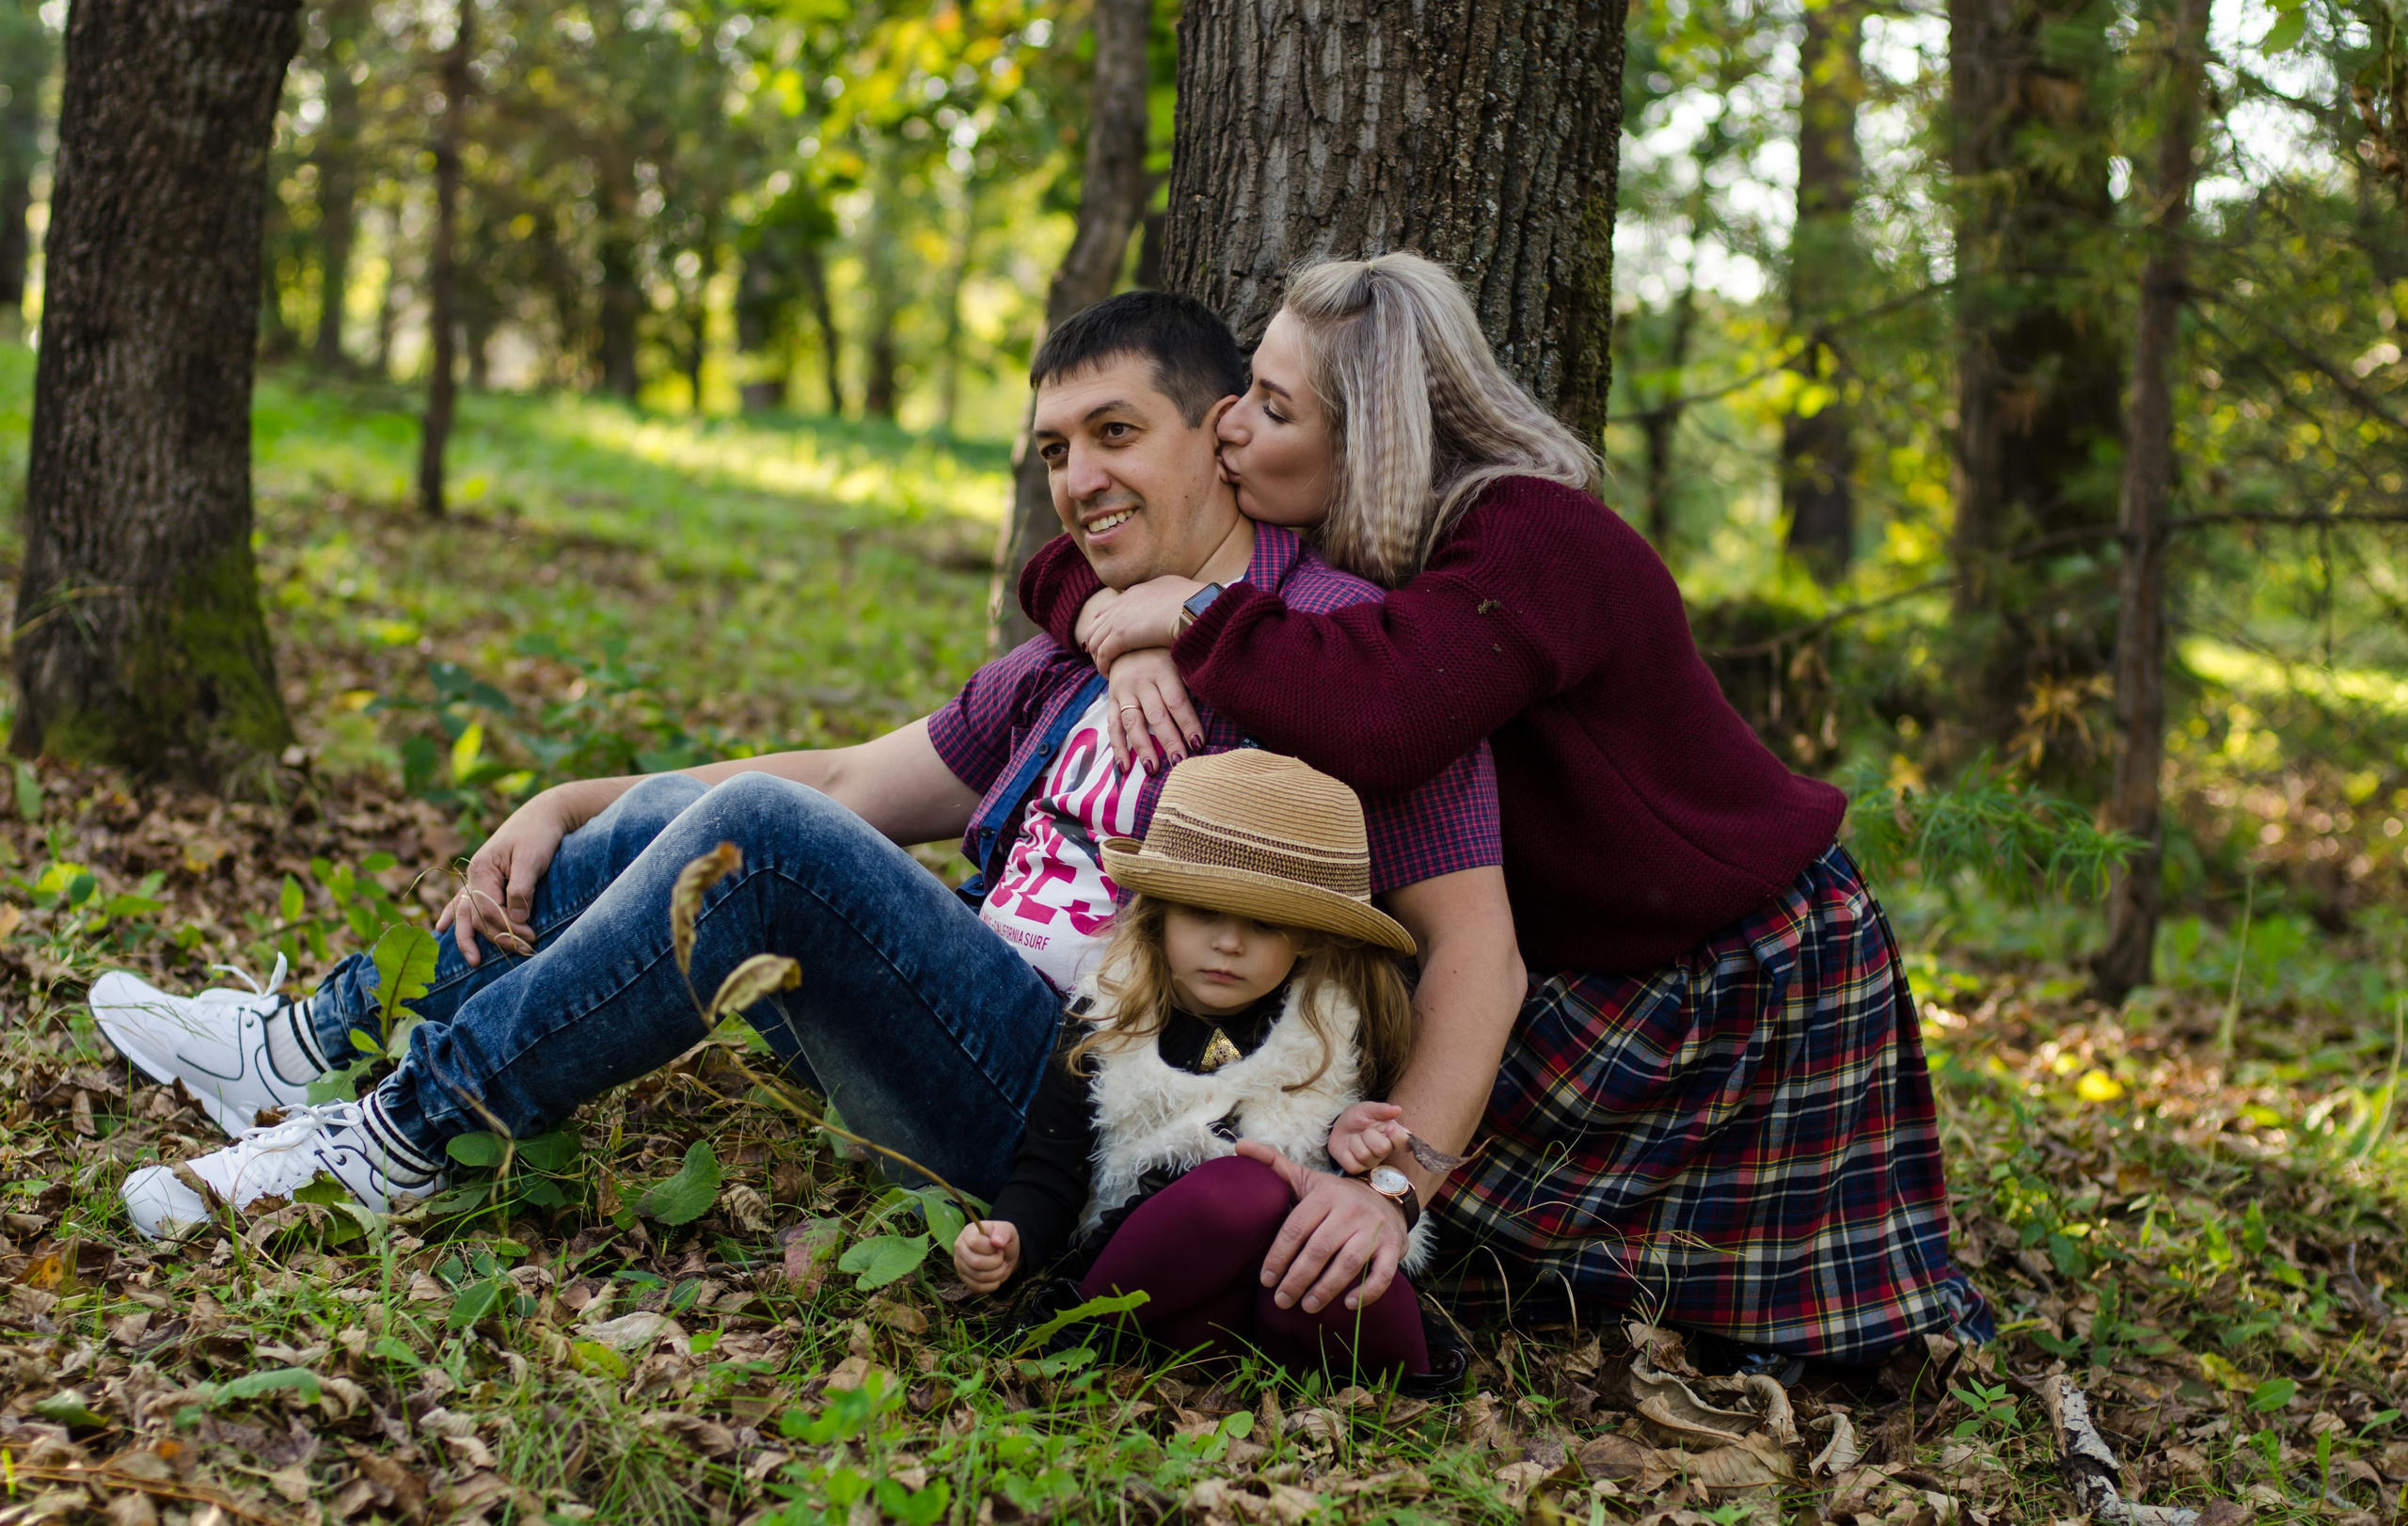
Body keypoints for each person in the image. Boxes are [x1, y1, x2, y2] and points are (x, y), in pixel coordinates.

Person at [94, 292, 1522, 1328]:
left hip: (1083, 1113)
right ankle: (306, 1048)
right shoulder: (1069, 649)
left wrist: (1399, 1194)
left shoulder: (1348, 653)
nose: (1079, 480)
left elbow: (1477, 949)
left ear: (1222, 435)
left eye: (1114, 433)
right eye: (1052, 451)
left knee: (770, 848)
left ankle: (404, 1132)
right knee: (692, 806)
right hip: (948, 1016)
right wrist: (566, 796)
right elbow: (848, 782)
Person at [1018, 253, 1992, 1367]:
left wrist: (1182, 614)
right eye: (1241, 390)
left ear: (1368, 436)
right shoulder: (1352, 541)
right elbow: (1067, 561)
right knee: (1498, 1246)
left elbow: (1383, 714)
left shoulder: (1535, 539)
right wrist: (1121, 628)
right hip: (1579, 957)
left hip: (1742, 962)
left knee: (1812, 1335)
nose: (1230, 427)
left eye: (1274, 406)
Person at [953, 750, 1436, 1381]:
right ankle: (1075, 1334)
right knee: (1244, 1189)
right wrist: (1011, 1236)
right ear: (1158, 913)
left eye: (1264, 925)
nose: (1229, 944)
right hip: (1160, 1282)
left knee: (1349, 1265)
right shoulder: (1110, 1015)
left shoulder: (1334, 1027)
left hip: (1281, 1294)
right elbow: (1051, 1170)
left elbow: (1338, 1180)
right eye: (1203, 912)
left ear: (1309, 937)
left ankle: (1382, 1386)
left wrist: (1352, 1145)